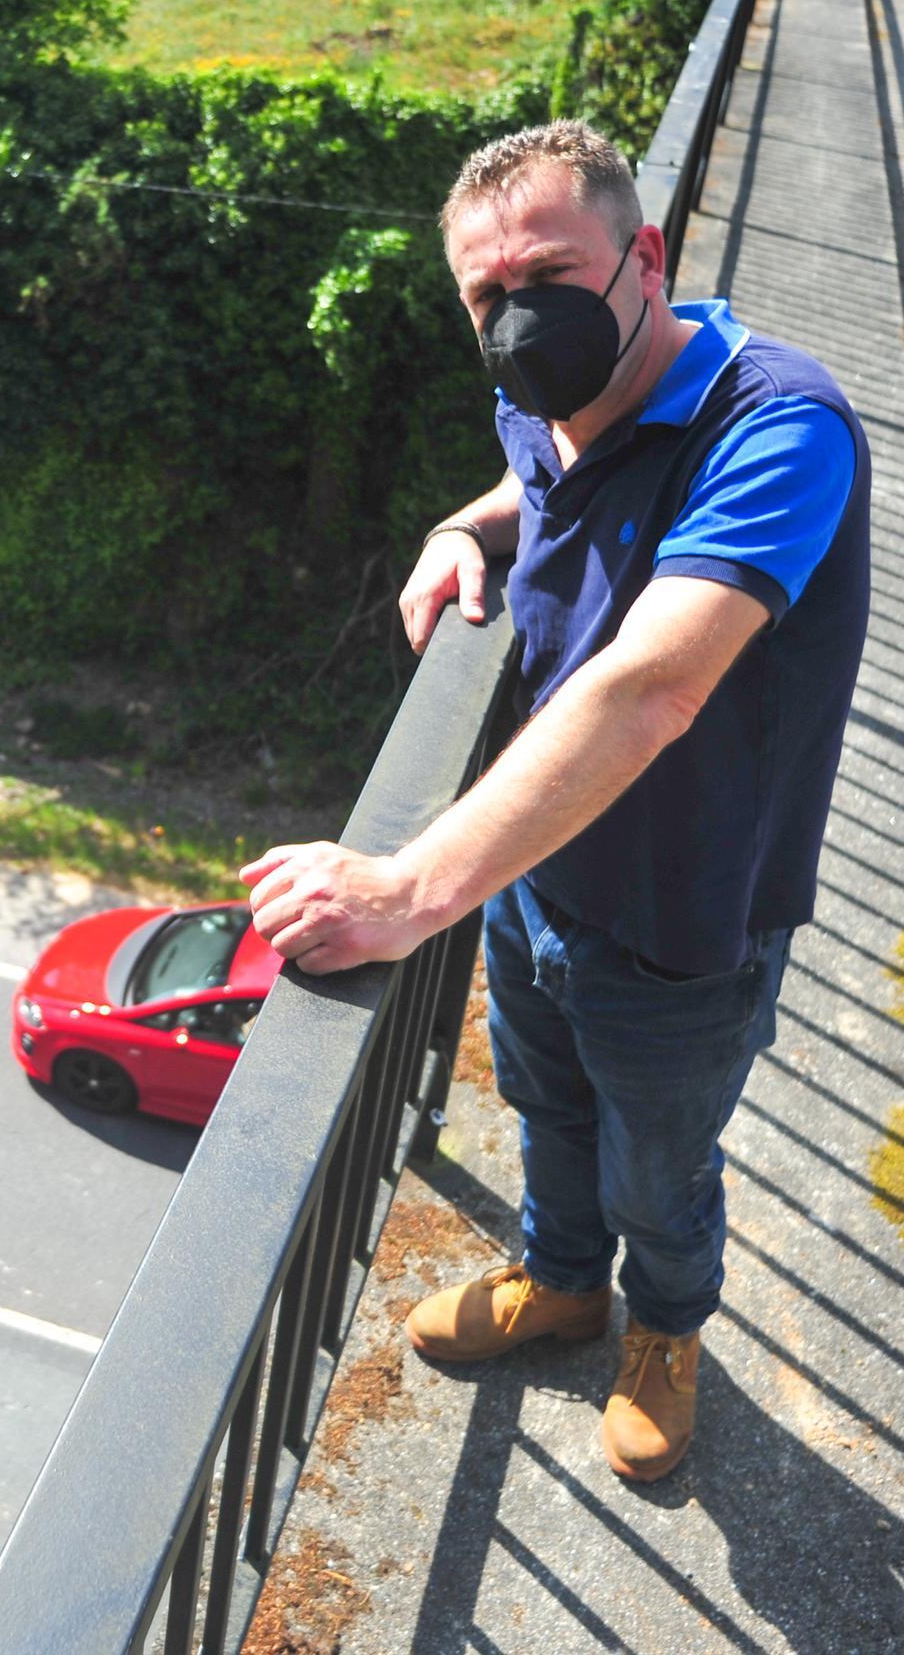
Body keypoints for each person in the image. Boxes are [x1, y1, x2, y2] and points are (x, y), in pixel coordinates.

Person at [240, 119, 870, 1482]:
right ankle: (563, 1283)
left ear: (645, 256)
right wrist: (462, 526)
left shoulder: (778, 426)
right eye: (488, 294)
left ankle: (666, 1330)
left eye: (552, 272)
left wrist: (409, 888)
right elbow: (546, 467)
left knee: (662, 1153)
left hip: (688, 909)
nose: (522, 317)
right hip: (537, 870)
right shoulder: (545, 397)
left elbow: (653, 688)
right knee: (546, 1103)